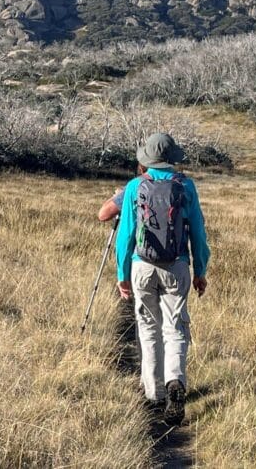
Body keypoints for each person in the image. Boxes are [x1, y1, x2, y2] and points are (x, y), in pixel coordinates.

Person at [97, 132, 209, 426]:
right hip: (177, 266)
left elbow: (126, 236)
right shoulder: (186, 186)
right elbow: (198, 231)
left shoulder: (135, 187)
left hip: (142, 267)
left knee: (148, 328)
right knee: (176, 328)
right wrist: (200, 270)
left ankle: (154, 394)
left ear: (146, 158)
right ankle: (176, 382)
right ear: (173, 158)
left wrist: (122, 275)